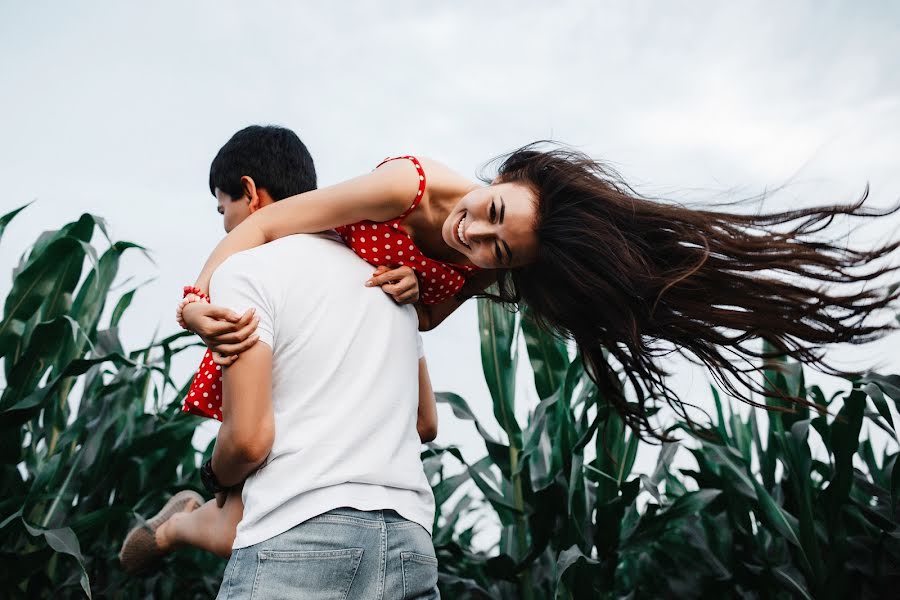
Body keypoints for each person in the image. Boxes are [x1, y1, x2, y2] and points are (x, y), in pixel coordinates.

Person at [184, 142, 900, 437]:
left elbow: (432, 313)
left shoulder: (498, 261)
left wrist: (413, 289)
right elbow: (274, 222)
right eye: (493, 215)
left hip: (371, 311)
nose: (478, 239)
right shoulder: (409, 183)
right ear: (506, 179)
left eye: (500, 247)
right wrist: (195, 299)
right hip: (319, 275)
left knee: (422, 425)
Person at [119, 127, 439, 589]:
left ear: (249, 192)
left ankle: (179, 523)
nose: (225, 224)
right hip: (410, 543)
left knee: (242, 497)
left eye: (223, 208)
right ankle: (183, 524)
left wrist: (214, 473)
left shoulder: (247, 269)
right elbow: (425, 424)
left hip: (302, 541)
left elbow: (248, 442)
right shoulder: (391, 279)